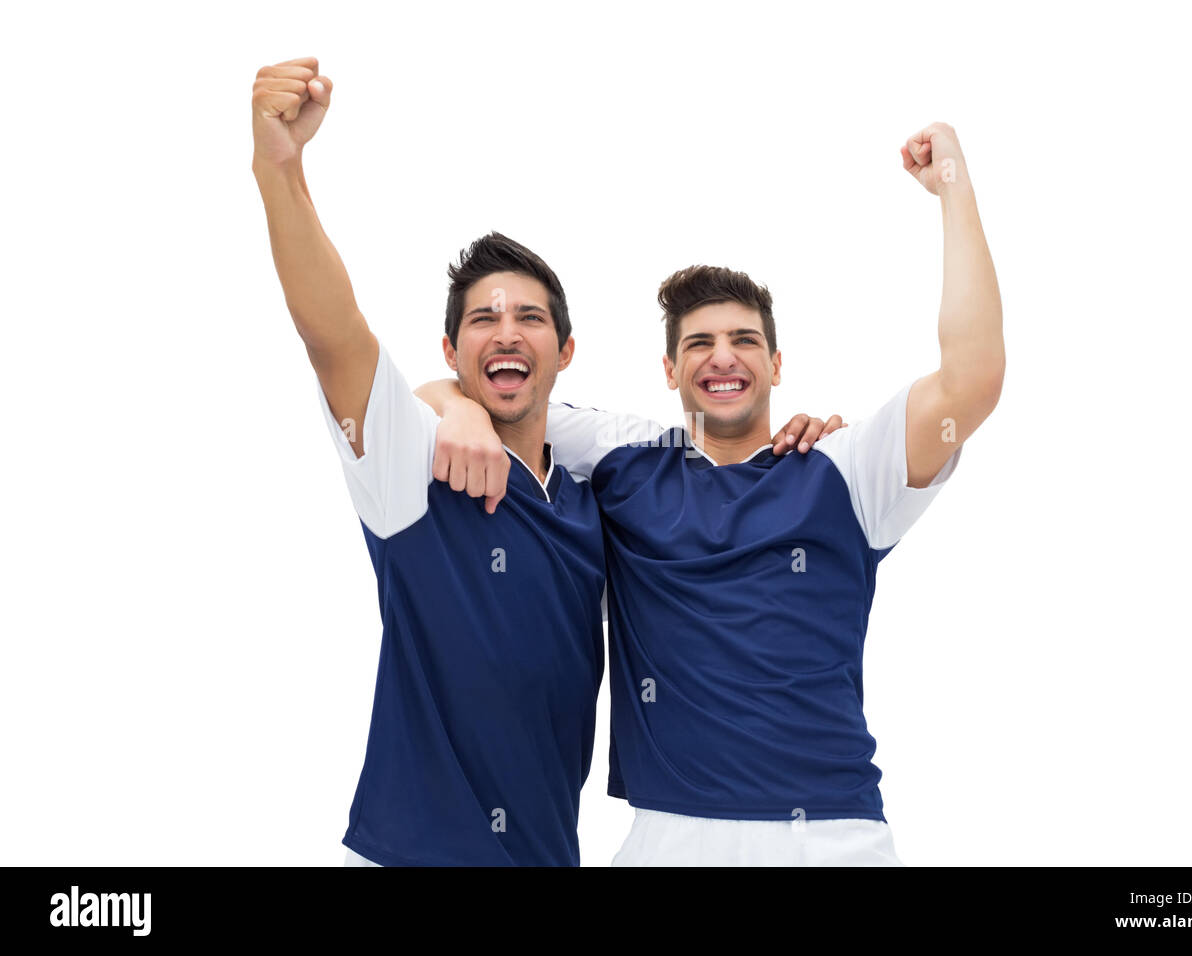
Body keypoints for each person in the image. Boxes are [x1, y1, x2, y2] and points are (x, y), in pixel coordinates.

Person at [251, 56, 838, 865]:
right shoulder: (408, 469)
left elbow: (717, 457)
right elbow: (334, 335)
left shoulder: (598, 487)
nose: (507, 331)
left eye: (529, 317)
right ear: (452, 351)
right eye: (483, 320)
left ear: (563, 352)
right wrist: (281, 171)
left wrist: (803, 445)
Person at [416, 122, 1004, 865]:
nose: (722, 357)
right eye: (699, 343)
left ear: (776, 362)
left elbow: (973, 378)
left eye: (743, 340)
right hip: (669, 835)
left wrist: (953, 185)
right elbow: (487, 392)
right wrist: (459, 405)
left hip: (830, 837)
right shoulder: (625, 457)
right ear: (670, 370)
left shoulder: (845, 466)